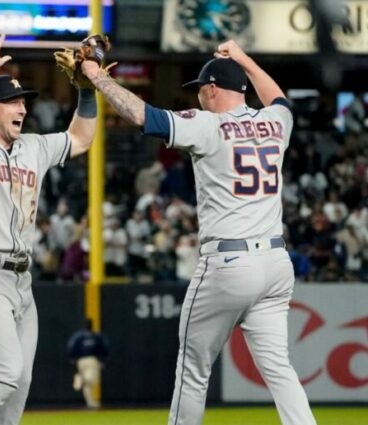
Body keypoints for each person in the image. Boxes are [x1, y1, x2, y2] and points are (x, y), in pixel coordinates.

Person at [80, 40, 316, 425]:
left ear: (210, 89)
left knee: (193, 370)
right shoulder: (274, 123)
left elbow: (144, 116)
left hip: (229, 262)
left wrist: (97, 77)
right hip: (275, 262)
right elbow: (280, 99)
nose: (199, 94)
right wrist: (243, 59)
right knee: (279, 368)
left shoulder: (209, 125)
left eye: (200, 88)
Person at [0, 31, 98, 424]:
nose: (23, 107)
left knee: (20, 381)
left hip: (22, 281)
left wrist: (87, 90)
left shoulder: (34, 147)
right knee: (5, 372)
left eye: (24, 101)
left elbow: (81, 138)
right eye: (13, 101)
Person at [66, 319, 109, 409]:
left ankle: (90, 403)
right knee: (92, 380)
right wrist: (103, 359)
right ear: (91, 326)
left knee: (87, 385)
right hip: (91, 360)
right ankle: (82, 379)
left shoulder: (78, 336)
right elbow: (104, 348)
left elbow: (70, 346)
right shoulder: (95, 336)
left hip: (81, 361)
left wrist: (72, 357)